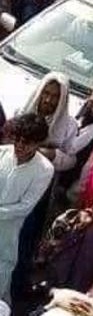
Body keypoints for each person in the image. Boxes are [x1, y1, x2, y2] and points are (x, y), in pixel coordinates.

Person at [0, 113, 53, 301]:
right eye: (18, 140)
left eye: (27, 142)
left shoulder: (45, 169)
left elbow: (24, 207)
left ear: (38, 143)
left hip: (6, 237)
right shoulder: (3, 153)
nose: (20, 146)